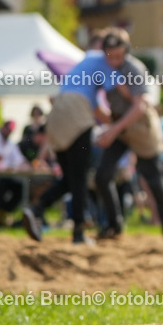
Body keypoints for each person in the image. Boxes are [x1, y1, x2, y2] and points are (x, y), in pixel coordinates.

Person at [23, 41, 115, 244]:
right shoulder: (104, 61)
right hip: (76, 114)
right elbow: (109, 100)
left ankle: (35, 209)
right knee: (80, 178)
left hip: (57, 113)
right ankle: (79, 233)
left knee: (70, 179)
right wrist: (120, 123)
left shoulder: (82, 63)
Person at [93, 29, 163, 240]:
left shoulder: (134, 68)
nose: (114, 60)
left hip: (140, 127)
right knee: (102, 175)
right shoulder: (102, 68)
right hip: (119, 125)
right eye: (110, 55)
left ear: (126, 52)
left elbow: (140, 106)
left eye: (119, 55)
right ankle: (114, 225)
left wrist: (113, 129)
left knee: (154, 178)